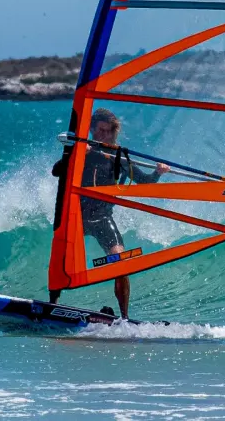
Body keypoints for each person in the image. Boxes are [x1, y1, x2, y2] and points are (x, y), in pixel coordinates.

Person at [49, 108, 168, 319]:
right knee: (61, 259)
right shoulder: (81, 150)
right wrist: (76, 155)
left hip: (103, 218)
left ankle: (124, 317)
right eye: (100, 131)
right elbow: (56, 171)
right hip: (76, 217)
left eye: (108, 132)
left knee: (121, 263)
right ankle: (52, 305)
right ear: (93, 130)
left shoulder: (118, 157)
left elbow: (144, 182)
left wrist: (157, 172)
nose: (103, 136)